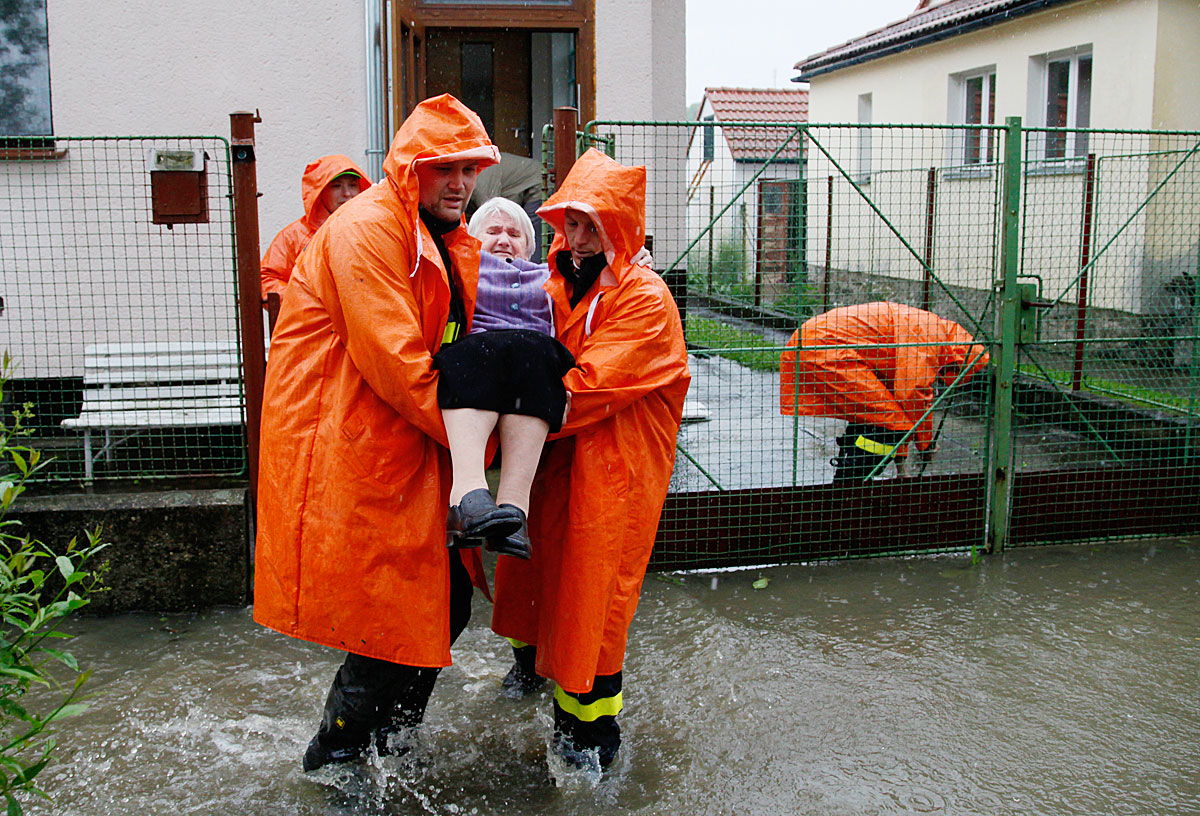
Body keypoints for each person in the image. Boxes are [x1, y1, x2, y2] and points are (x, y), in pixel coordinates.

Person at [252, 94, 500, 772]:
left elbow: (472, 331)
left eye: (470, 168)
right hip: (357, 443)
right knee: (391, 614)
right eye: (444, 167)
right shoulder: (369, 231)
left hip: (407, 442)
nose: (459, 182)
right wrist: (486, 439)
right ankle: (335, 754)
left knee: (440, 607)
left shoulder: (439, 235)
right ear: (410, 167)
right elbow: (400, 364)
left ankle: (394, 741)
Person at [489, 148, 691, 772]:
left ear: (621, 228)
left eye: (591, 224)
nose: (576, 238)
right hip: (556, 466)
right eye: (569, 222)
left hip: (614, 476)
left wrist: (496, 412)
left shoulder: (645, 299)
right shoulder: (550, 280)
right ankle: (538, 682)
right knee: (540, 584)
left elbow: (590, 388)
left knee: (594, 606)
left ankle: (590, 745)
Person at [434, 196, 576, 559]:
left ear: (529, 247)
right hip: (478, 361)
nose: (503, 239)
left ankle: (515, 510)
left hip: (532, 369)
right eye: (493, 231)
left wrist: (638, 263)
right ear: (473, 239)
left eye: (514, 233)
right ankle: (466, 495)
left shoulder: (549, 278)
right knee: (473, 352)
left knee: (539, 353)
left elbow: (600, 279)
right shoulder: (459, 268)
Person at [779, 301, 990, 483]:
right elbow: (913, 397)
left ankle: (851, 478)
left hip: (821, 343)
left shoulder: (933, 330)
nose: (946, 375)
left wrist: (902, 470)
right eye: (954, 370)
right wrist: (925, 444)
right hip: (826, 347)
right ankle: (851, 484)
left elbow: (901, 406)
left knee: (881, 415)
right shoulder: (929, 338)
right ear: (960, 358)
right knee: (889, 420)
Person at [259, 154, 368, 303]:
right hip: (316, 326)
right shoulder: (294, 236)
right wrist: (308, 302)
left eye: (353, 185)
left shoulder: (373, 231)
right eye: (336, 186)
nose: (347, 193)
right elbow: (266, 280)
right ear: (320, 191)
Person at [468, 151, 545, 260]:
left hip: (537, 183)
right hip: (517, 187)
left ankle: (532, 264)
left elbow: (490, 211)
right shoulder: (475, 174)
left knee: (527, 234)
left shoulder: (482, 179)